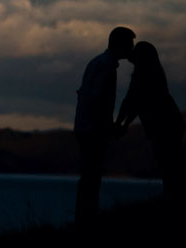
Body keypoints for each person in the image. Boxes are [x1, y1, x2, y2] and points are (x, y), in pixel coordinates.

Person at [74, 26, 135, 226]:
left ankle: (84, 217)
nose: (132, 48)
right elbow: (96, 98)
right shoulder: (107, 66)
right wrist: (108, 126)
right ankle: (87, 218)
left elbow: (87, 96)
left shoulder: (97, 62)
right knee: (92, 176)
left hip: (86, 126)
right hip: (93, 129)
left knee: (89, 175)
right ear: (120, 44)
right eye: (129, 44)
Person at [115, 41, 186, 197]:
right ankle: (174, 194)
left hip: (166, 126)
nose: (131, 53)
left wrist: (121, 124)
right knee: (170, 164)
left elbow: (133, 102)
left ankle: (174, 195)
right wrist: (122, 123)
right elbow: (133, 102)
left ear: (142, 57)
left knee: (168, 163)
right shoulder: (147, 74)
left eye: (136, 52)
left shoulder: (144, 76)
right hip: (169, 124)